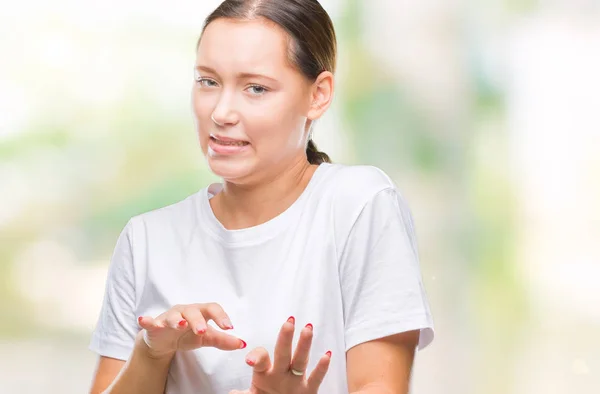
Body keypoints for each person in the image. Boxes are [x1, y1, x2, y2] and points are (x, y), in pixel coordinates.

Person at [88, 0, 434, 393]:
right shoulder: (147, 240)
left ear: (318, 94)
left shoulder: (359, 205)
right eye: (208, 81)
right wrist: (151, 354)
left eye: (256, 88)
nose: (221, 112)